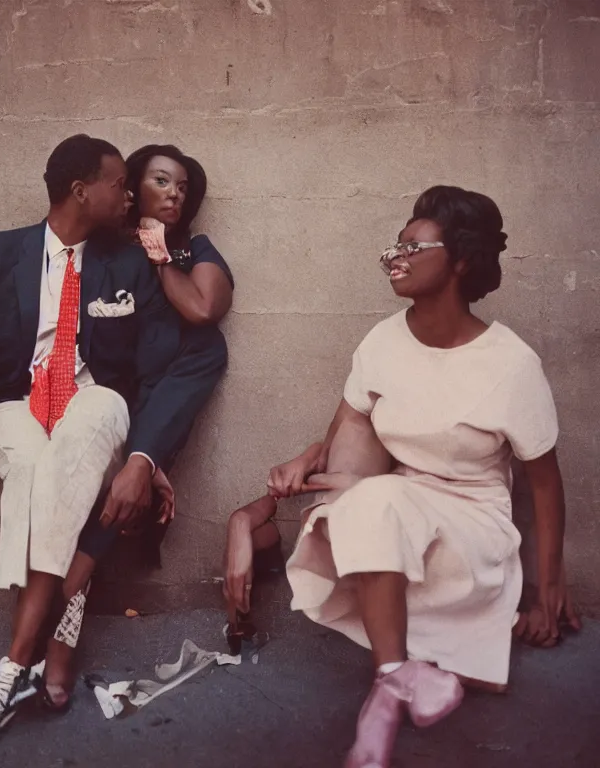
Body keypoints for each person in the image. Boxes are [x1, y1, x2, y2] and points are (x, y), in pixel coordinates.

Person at [223, 186, 581, 768]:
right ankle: (393, 680)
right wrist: (258, 504)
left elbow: (545, 482)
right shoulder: (382, 341)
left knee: (379, 503)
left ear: (462, 260)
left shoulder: (510, 364)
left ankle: (430, 655)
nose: (397, 255)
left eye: (415, 246)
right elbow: (340, 439)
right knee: (372, 503)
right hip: (402, 504)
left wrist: (548, 589)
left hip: (474, 524)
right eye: (396, 244)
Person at [0, 144, 234, 721]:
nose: (131, 196)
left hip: (91, 405)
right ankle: (36, 663)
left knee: (87, 424)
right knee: (36, 468)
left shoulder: (132, 265)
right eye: (122, 184)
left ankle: (10, 669)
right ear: (82, 190)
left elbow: (161, 362)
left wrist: (149, 459)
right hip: (13, 404)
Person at [37, 144, 234, 709]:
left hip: (170, 389)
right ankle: (59, 626)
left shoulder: (193, 249)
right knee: (113, 465)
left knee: (207, 349)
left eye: (183, 187)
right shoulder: (98, 253)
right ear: (129, 190)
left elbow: (202, 310)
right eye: (160, 182)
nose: (174, 193)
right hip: (114, 397)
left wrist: (160, 255)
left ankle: (64, 598)